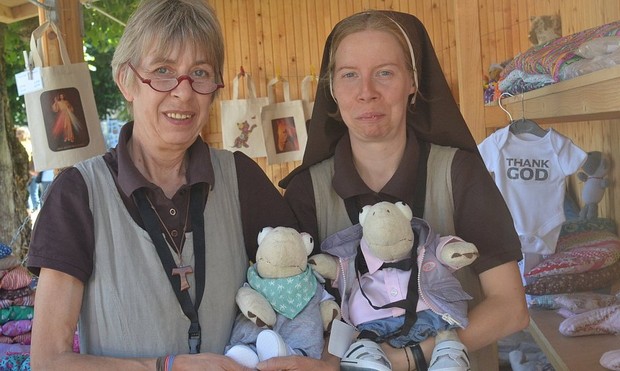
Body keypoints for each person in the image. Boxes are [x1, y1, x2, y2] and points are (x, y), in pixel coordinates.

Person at [26, 1, 312, 370]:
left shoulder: (241, 179)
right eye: (163, 71)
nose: (183, 91)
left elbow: (306, 285)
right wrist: (165, 366)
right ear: (126, 81)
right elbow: (48, 361)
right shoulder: (78, 195)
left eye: (200, 72)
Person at [280, 10, 530, 371]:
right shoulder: (307, 193)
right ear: (332, 89)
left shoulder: (459, 174)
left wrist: (405, 359)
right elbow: (297, 314)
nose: (366, 93)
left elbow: (511, 308)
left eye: (385, 73)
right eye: (349, 75)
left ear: (413, 82)